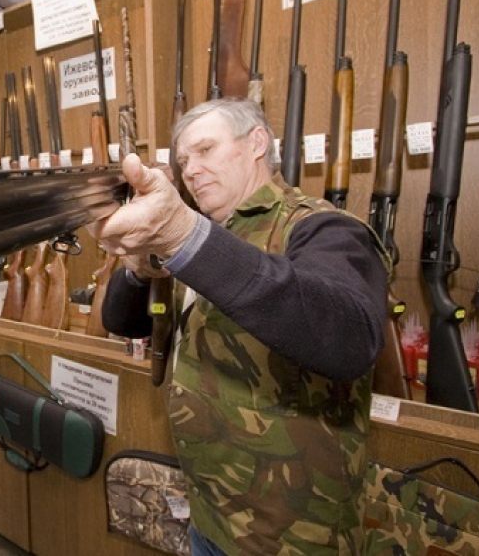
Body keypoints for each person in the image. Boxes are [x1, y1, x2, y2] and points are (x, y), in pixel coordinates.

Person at [88, 98, 389, 556]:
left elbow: (350, 337)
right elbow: (121, 321)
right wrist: (139, 271)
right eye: (184, 160)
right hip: (210, 514)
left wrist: (184, 236)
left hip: (292, 537)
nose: (191, 170)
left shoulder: (320, 226)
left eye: (206, 150)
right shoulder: (206, 233)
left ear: (257, 143)